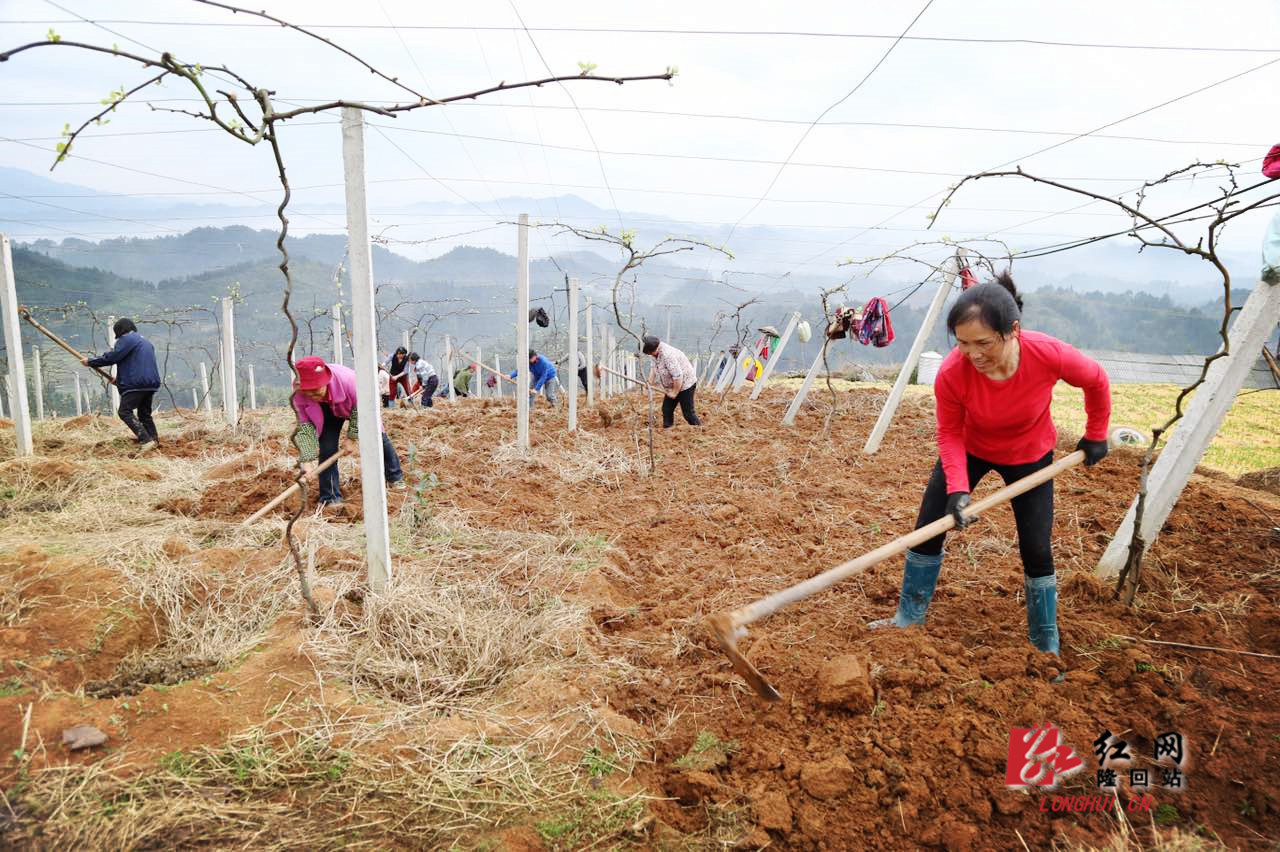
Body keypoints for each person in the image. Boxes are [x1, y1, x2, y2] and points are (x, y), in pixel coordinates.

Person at [869, 272, 1111, 661]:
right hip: (971, 447)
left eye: (983, 343)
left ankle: (1044, 642)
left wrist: (1096, 433)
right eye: (962, 343)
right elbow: (949, 432)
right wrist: (958, 489)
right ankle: (908, 617)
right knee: (928, 528)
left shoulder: (1048, 353)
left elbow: (1096, 380)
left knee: (1036, 548)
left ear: (1012, 330)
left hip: (1030, 455)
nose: (972, 354)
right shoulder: (952, 373)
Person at [291, 355, 404, 507]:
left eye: (316, 391)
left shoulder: (350, 381)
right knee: (327, 449)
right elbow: (305, 426)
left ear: (326, 381)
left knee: (378, 439)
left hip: (357, 404)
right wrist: (306, 460)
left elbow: (362, 409)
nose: (313, 396)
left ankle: (395, 476)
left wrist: (351, 437)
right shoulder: (299, 395)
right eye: (308, 393)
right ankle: (330, 497)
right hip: (326, 412)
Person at [82, 318, 161, 452]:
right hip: (150, 383)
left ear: (120, 332)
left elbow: (113, 357)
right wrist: (119, 380)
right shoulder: (145, 342)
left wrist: (90, 361)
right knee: (144, 414)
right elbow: (136, 363)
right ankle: (154, 440)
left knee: (124, 411)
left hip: (137, 383)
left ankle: (145, 440)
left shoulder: (127, 339)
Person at [642, 334, 701, 427]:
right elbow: (653, 368)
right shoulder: (654, 352)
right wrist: (649, 382)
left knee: (688, 413)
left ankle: (699, 429)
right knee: (667, 409)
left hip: (686, 384)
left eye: (650, 353)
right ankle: (668, 430)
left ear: (655, 349)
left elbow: (678, 376)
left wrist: (674, 392)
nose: (650, 355)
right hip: (672, 385)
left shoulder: (667, 355)